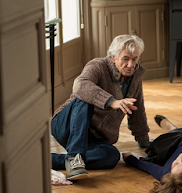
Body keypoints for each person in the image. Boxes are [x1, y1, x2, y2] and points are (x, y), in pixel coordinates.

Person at [51, 35, 151, 180]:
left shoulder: (135, 76)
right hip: (66, 126)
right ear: (113, 57)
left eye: (134, 59)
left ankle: (56, 160)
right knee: (84, 96)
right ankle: (74, 159)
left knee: (111, 156)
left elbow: (137, 107)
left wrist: (143, 140)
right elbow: (81, 85)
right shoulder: (98, 66)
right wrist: (111, 101)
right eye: (125, 59)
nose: (131, 64)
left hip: (95, 137)